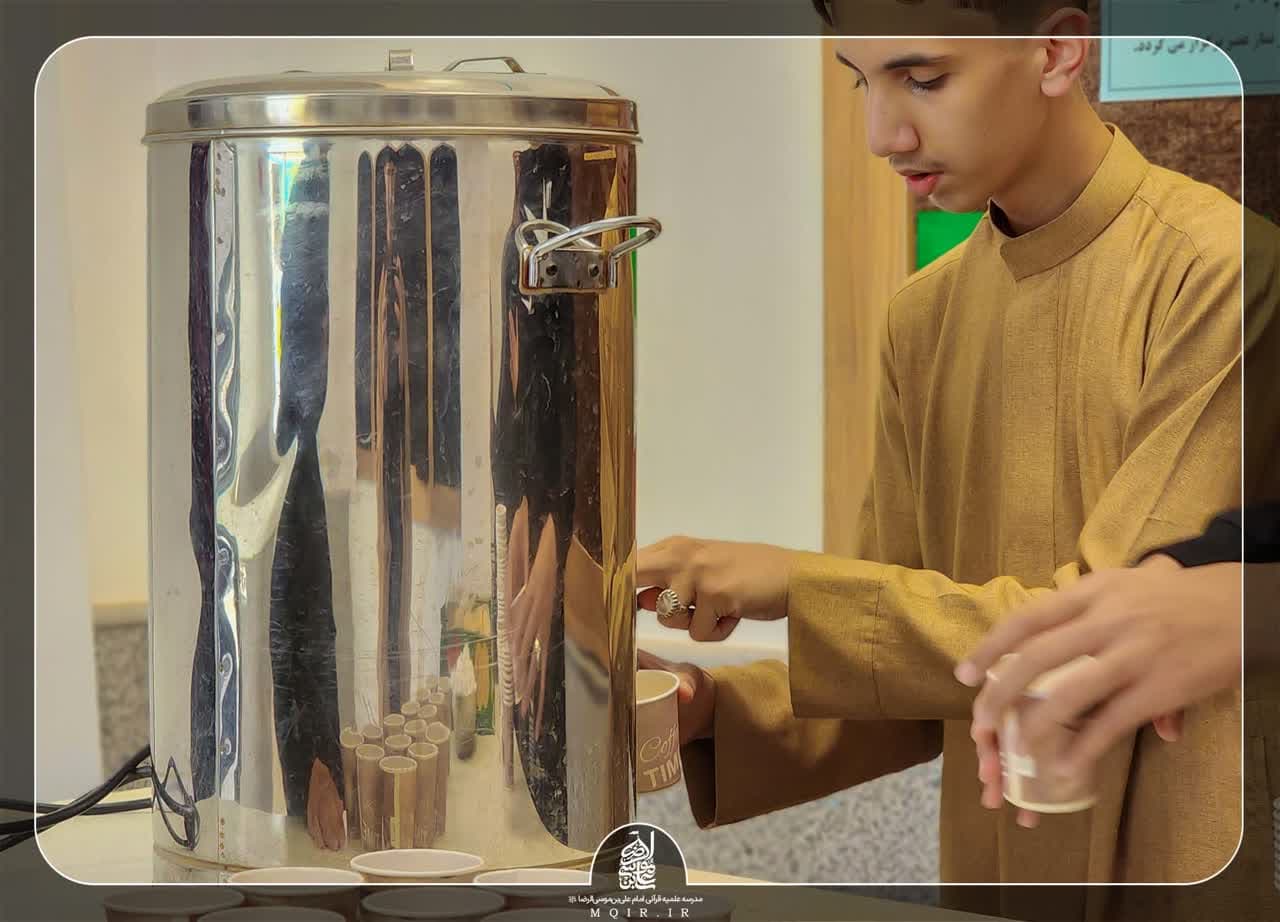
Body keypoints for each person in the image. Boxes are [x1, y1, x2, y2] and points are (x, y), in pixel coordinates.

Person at [635, 1, 1278, 914]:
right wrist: (707, 706)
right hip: (992, 861)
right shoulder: (923, 316)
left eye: (924, 79)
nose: (882, 135)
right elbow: (900, 667)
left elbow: (1104, 631)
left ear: (1057, 50)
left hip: (1179, 850)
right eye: (861, 84)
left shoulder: (1220, 270)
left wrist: (799, 586)